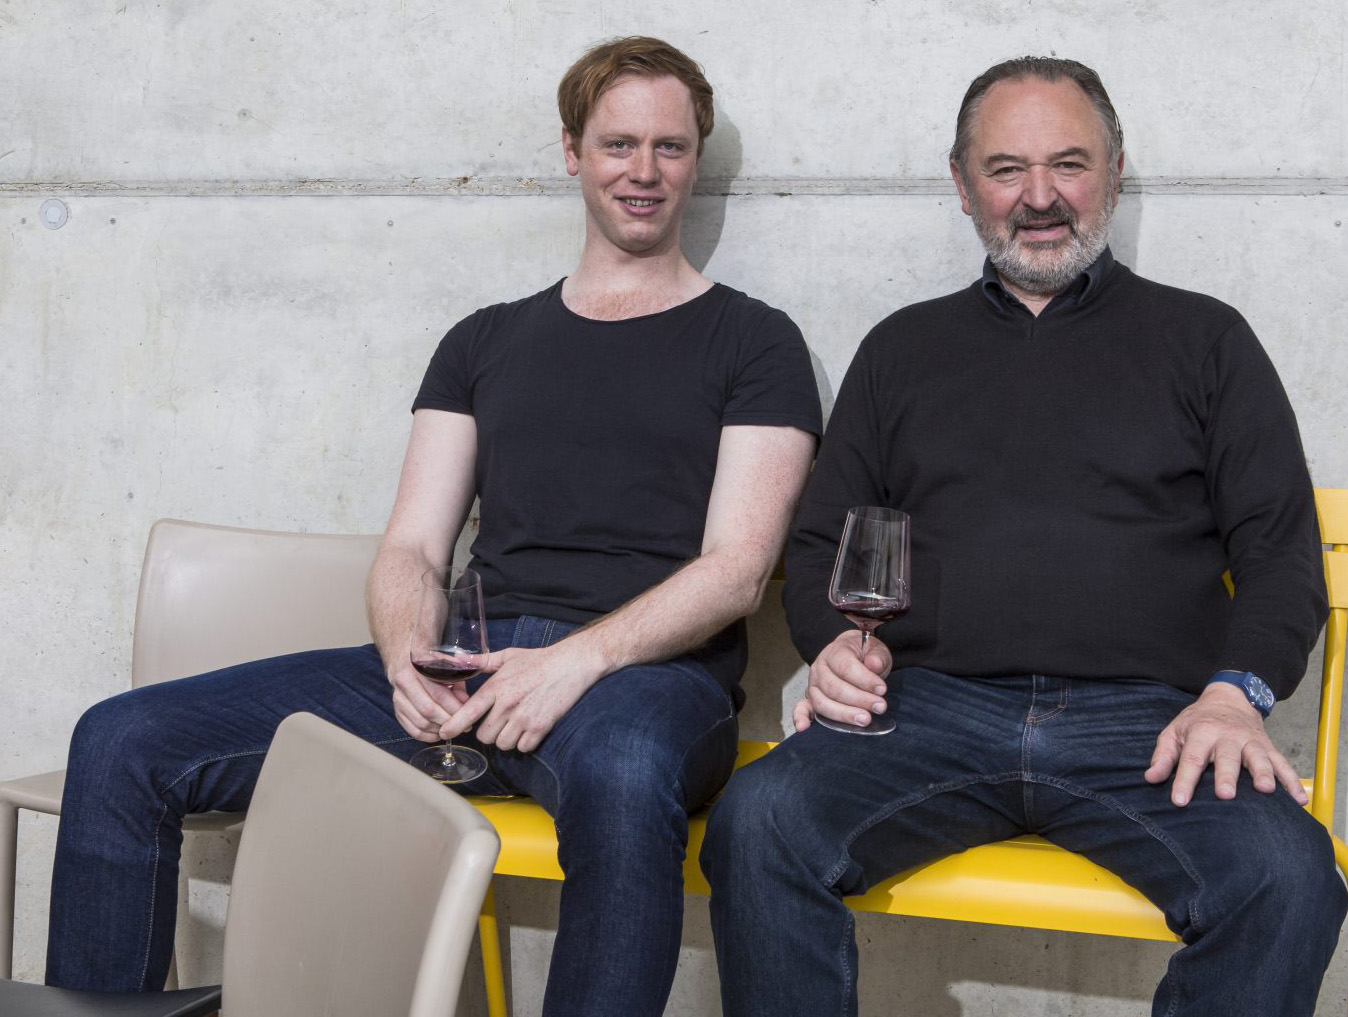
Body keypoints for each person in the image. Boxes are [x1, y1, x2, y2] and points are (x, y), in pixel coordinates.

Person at [46, 36, 820, 1017]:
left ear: (694, 159)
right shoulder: (483, 341)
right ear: (572, 153)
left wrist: (571, 664)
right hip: (461, 666)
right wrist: (412, 661)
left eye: (669, 147)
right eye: (618, 144)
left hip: (641, 682)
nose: (643, 170)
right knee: (121, 740)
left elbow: (735, 572)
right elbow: (412, 545)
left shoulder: (755, 340)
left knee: (625, 780)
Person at [702, 56, 1345, 1017]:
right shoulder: (902, 349)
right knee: (755, 823)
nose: (1039, 197)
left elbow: (1282, 551)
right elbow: (817, 548)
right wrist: (833, 643)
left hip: (1152, 727)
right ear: (963, 187)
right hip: (924, 715)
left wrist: (1233, 695)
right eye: (1006, 169)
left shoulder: (1206, 340)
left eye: (1069, 164)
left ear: (1115, 173)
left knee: (1288, 877)